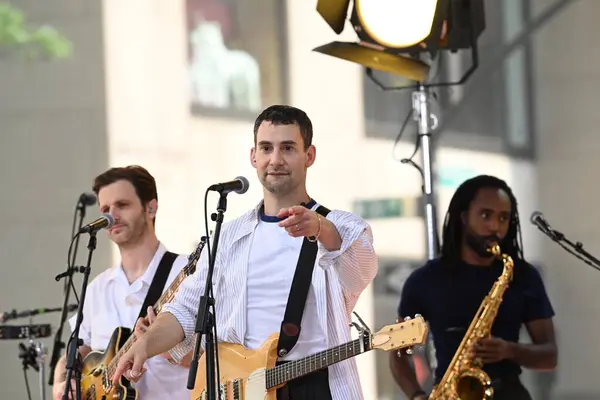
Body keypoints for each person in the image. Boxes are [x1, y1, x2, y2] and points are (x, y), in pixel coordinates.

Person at [111, 105, 378, 399]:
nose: (275, 159)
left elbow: (361, 270)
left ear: (309, 155)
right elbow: (186, 310)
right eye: (266, 148)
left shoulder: (339, 226)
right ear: (253, 156)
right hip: (241, 386)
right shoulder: (228, 236)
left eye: (288, 148)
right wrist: (144, 346)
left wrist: (319, 228)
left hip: (315, 385)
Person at [389, 175, 557, 400]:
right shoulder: (424, 280)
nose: (495, 227)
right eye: (486, 215)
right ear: (464, 217)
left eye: (503, 218)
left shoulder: (522, 275)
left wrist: (509, 350)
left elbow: (549, 356)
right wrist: (417, 395)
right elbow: (398, 354)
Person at [51, 165, 192, 400]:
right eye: (105, 209)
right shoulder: (96, 288)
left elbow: (213, 358)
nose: (111, 216)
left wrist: (165, 342)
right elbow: (76, 351)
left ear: (151, 208)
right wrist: (61, 385)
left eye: (122, 205)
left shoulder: (188, 272)